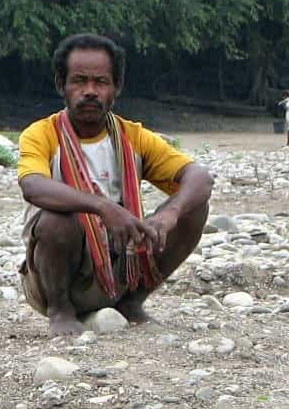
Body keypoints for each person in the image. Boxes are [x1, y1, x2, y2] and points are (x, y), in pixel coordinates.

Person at [17, 33, 214, 336]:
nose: (90, 91)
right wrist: (102, 206)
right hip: (59, 274)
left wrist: (168, 215)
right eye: (79, 81)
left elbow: (199, 177)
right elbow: (33, 186)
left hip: (124, 265)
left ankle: (131, 303)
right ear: (61, 85)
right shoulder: (42, 134)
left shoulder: (132, 136)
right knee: (56, 220)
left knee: (193, 207)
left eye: (101, 82)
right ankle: (61, 310)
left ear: (116, 88)